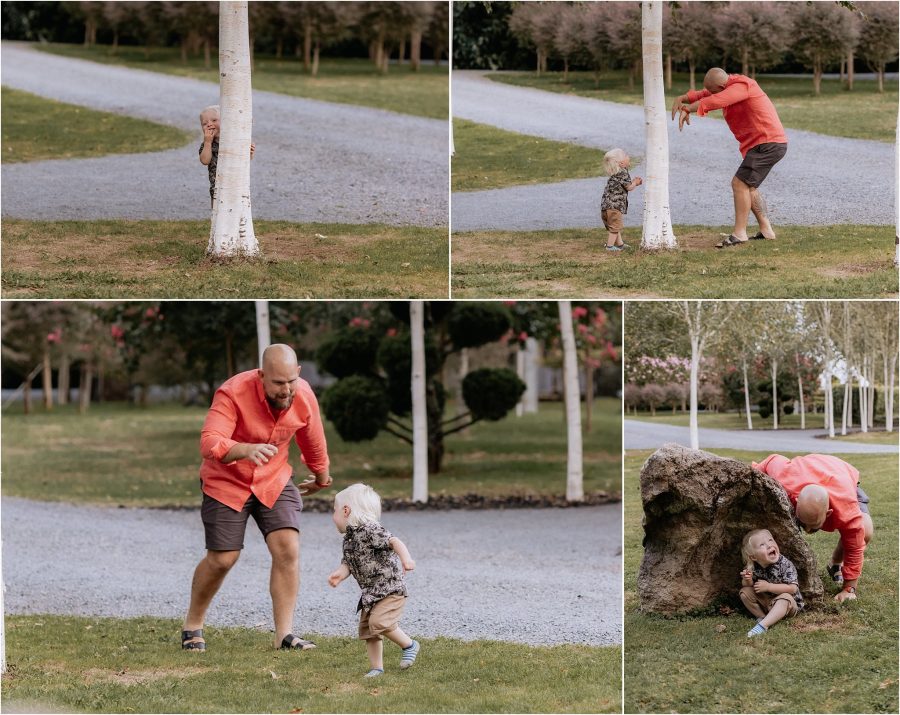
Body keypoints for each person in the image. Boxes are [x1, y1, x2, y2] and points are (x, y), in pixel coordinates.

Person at [181, 344, 332, 652]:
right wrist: (245, 449)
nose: (286, 389)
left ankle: (284, 635)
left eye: (291, 380)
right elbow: (210, 441)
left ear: (298, 374)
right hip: (227, 481)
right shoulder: (233, 392)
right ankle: (193, 624)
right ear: (262, 375)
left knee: (287, 548)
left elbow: (312, 437)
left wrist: (321, 476)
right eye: (278, 382)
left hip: (273, 479)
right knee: (223, 558)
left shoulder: (301, 394)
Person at [670, 68, 787, 249]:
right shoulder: (727, 86)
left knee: (739, 184)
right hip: (765, 144)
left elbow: (716, 100)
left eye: (714, 90)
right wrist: (683, 98)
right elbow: (706, 94)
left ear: (721, 86)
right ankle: (766, 231)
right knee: (749, 187)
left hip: (767, 143)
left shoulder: (742, 86)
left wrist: (688, 109)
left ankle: (739, 234)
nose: (712, 93)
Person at [753, 453, 874, 604]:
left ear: (828, 513)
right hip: (807, 470)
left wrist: (849, 589)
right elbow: (772, 459)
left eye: (815, 525)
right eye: (803, 523)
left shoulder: (846, 510)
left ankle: (835, 562)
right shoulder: (786, 478)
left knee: (865, 531)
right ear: (796, 500)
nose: (808, 530)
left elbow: (855, 548)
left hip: (840, 474)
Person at [328, 483, 420, 678]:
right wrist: (339, 574)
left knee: (379, 623)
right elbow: (348, 564)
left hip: (389, 588)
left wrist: (406, 559)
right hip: (370, 593)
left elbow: (393, 541)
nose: (332, 516)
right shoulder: (349, 539)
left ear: (346, 510)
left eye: (334, 510)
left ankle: (409, 645)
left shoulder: (370, 530)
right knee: (369, 631)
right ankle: (376, 668)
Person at [739, 529, 803, 638]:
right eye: (762, 545)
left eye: (770, 540)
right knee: (744, 592)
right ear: (754, 557)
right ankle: (762, 617)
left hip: (787, 604)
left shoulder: (785, 564)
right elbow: (748, 586)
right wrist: (747, 579)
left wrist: (769, 587)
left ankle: (763, 626)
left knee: (785, 598)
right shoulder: (753, 566)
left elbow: (793, 589)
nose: (769, 546)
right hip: (767, 601)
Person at [199, 105, 255, 209]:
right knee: (217, 211)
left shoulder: (235, 140)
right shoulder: (207, 144)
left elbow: (242, 162)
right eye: (204, 123)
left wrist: (249, 154)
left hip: (236, 183)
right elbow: (205, 160)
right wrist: (207, 142)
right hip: (216, 186)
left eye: (214, 120)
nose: (209, 124)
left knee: (237, 208)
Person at [600, 148, 642, 252]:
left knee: (615, 226)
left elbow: (624, 184)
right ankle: (609, 247)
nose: (628, 156)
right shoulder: (623, 173)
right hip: (614, 207)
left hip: (606, 207)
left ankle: (620, 244)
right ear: (621, 163)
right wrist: (635, 183)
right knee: (615, 227)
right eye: (626, 155)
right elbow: (629, 187)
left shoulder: (615, 174)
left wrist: (631, 182)